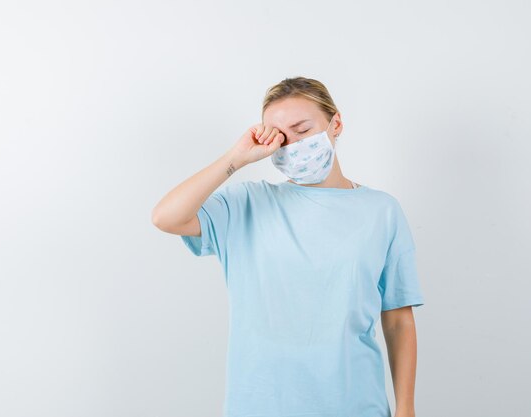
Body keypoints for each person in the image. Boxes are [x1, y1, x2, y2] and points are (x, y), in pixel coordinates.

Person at [151, 76, 425, 417]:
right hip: (260, 405)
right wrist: (237, 157)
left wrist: (406, 408)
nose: (291, 145)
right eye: (279, 136)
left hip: (355, 404)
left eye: (302, 130)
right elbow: (166, 217)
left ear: (335, 123)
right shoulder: (247, 204)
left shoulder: (381, 211)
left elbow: (398, 319)